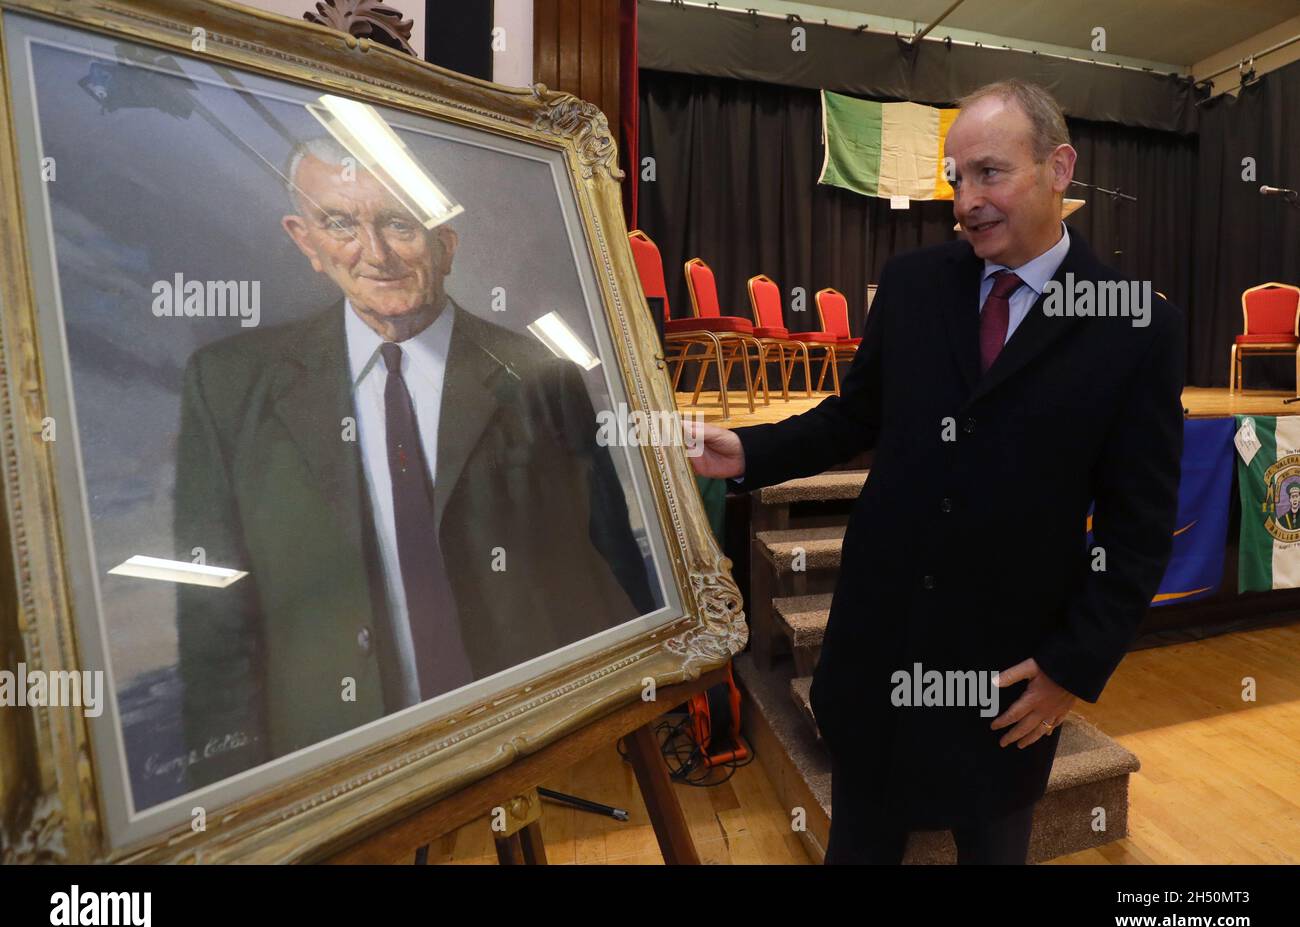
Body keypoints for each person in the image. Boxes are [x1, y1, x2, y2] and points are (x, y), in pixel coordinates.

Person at [686, 80, 1185, 864]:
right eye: (957, 178)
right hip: (876, 658)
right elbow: (855, 417)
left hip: (1005, 687)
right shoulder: (915, 286)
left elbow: (1139, 525)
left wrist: (1071, 667)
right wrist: (750, 452)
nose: (966, 200)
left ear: (1059, 168)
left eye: (989, 172)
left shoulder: (1136, 324)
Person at [175, 137, 657, 789]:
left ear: (446, 243)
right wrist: (226, 794)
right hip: (327, 769)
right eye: (339, 222)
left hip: (527, 745)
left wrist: (642, 698)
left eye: (399, 222)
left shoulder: (544, 378)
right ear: (305, 240)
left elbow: (609, 561)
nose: (374, 254)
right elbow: (213, 619)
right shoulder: (227, 386)